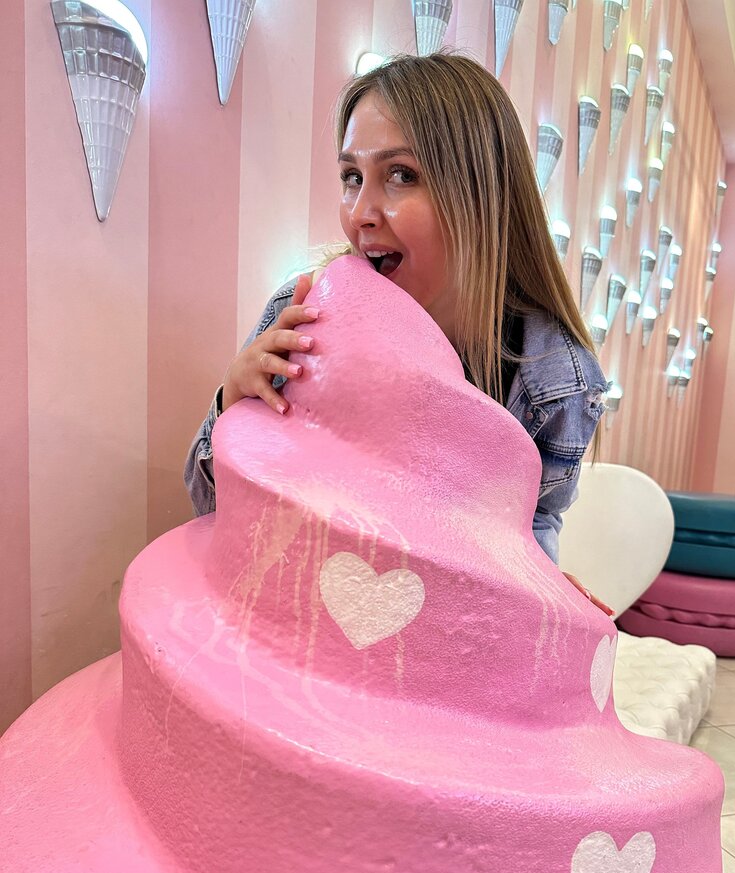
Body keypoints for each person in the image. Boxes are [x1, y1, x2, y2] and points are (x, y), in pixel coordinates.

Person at [184, 52, 612, 614]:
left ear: (480, 195)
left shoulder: (553, 378)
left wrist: (540, 591)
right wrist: (231, 402)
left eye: (401, 175)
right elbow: (210, 504)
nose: (360, 212)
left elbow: (530, 533)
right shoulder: (301, 312)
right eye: (352, 177)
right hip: (299, 618)